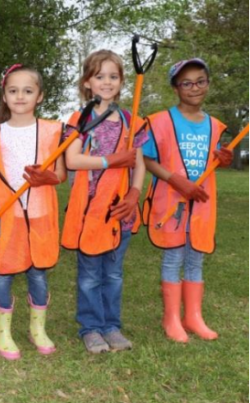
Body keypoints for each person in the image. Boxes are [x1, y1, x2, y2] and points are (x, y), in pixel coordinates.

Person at [0, 64, 66, 360]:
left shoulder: (53, 131)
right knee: (4, 270)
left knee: (38, 272)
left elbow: (61, 173)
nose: (20, 96)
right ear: (5, 95)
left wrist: (48, 178)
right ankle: (2, 332)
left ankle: (37, 329)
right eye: (13, 91)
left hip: (40, 213)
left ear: (40, 96)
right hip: (6, 214)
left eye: (28, 90)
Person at [62, 50, 147, 354]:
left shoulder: (131, 120)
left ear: (122, 82)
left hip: (120, 211)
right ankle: (91, 328)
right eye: (100, 76)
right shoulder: (79, 119)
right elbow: (72, 160)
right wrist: (111, 160)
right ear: (88, 82)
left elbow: (138, 163)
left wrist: (135, 193)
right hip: (89, 212)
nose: (107, 82)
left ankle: (111, 325)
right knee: (88, 276)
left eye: (113, 76)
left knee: (113, 273)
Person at [142, 58, 231, 343]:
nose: (195, 88)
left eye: (200, 81)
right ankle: (171, 317)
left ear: (208, 83)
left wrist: (224, 159)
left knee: (196, 257)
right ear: (176, 88)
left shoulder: (215, 125)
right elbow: (146, 158)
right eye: (187, 83)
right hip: (171, 201)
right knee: (173, 256)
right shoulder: (160, 121)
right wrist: (174, 179)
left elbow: (214, 159)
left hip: (201, 203)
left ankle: (193, 316)